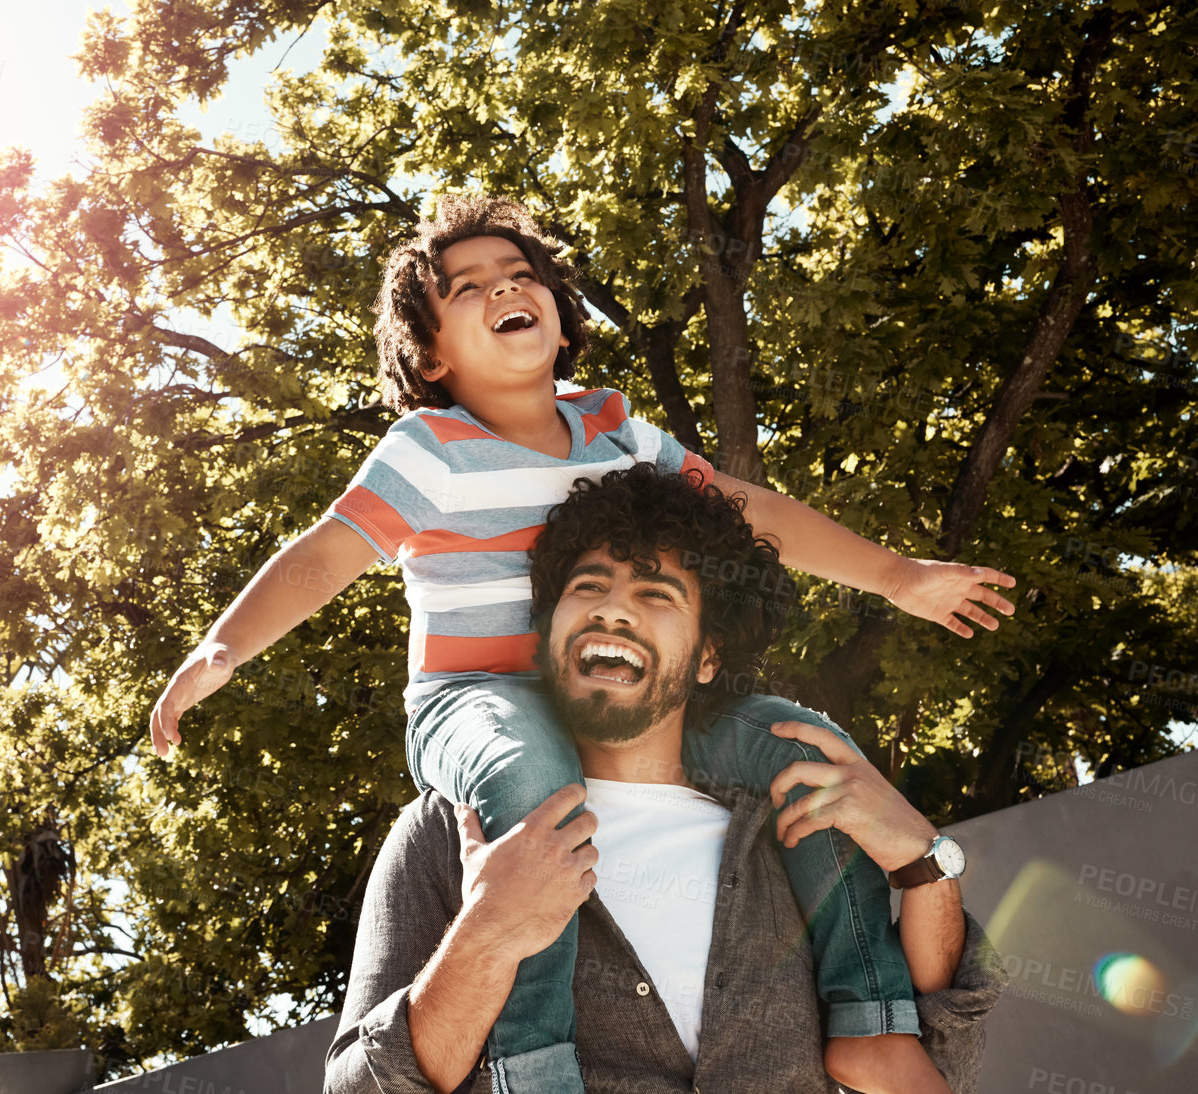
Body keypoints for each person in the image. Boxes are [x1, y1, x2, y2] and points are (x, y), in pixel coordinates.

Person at [150, 196, 1016, 1093]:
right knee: (535, 785)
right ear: (432, 353)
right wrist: (223, 650)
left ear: (561, 320)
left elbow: (747, 510)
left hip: (606, 710)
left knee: (804, 748)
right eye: (469, 286)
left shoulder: (615, 435)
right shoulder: (430, 450)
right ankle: (533, 1062)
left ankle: (870, 1017)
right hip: (477, 703)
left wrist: (897, 577)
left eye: (522, 277)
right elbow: (324, 555)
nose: (505, 289)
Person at [322, 465, 1007, 1093]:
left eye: (655, 594)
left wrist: (925, 861)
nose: (612, 610)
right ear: (548, 630)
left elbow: (937, 1062)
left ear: (709, 657)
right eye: (587, 586)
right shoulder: (452, 830)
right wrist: (488, 934)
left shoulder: (793, 823)